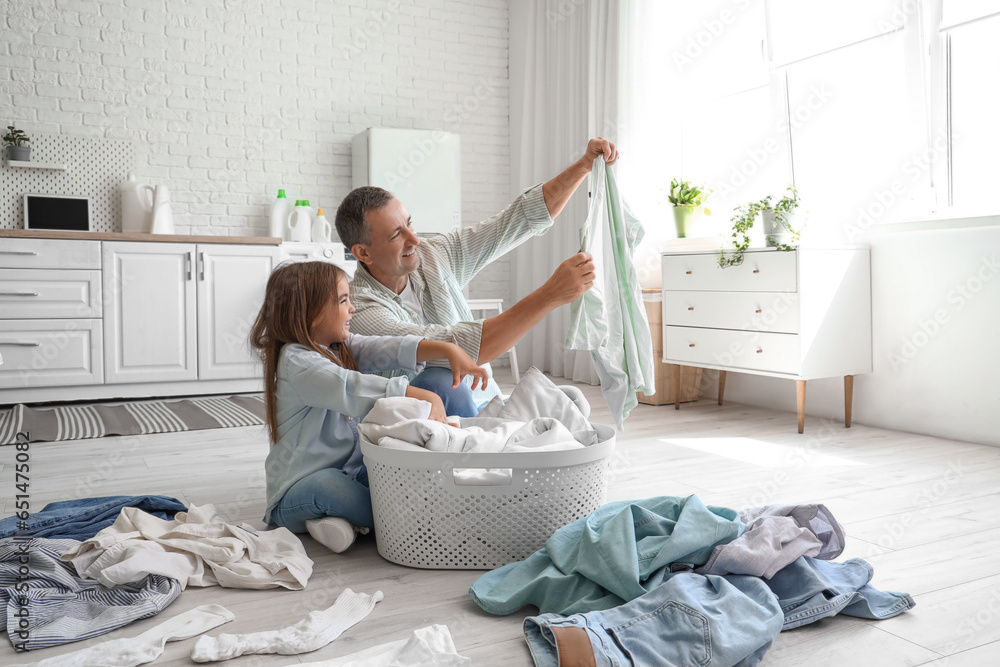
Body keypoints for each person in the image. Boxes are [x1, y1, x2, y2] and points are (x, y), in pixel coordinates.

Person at [335, 138, 618, 415]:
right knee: (442, 383)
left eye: (410, 224)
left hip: (485, 401)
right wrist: (550, 295)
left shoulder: (434, 255)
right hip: (422, 428)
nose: (414, 240)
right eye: (397, 234)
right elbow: (457, 348)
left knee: (573, 401)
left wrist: (583, 166)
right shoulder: (359, 310)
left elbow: (515, 220)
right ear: (363, 253)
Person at [248, 261, 487, 553]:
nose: (353, 309)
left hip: (356, 472)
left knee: (441, 379)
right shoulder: (298, 363)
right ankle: (432, 518)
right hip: (298, 491)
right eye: (344, 300)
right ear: (312, 314)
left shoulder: (336, 346)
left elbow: (385, 347)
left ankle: (478, 470)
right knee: (329, 485)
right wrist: (426, 398)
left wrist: (448, 349)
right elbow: (352, 388)